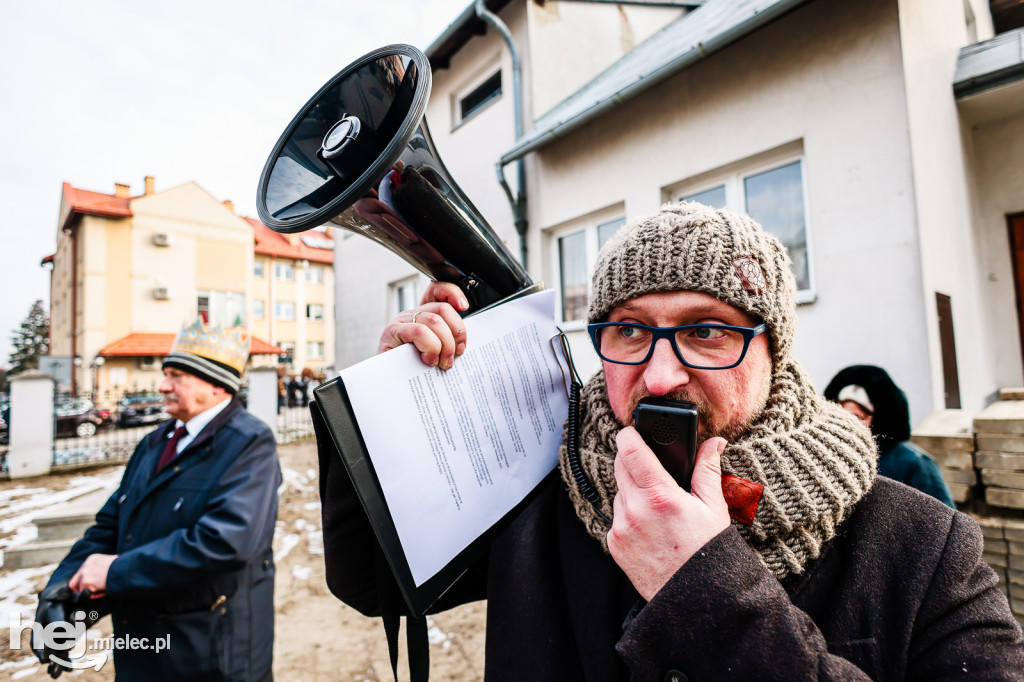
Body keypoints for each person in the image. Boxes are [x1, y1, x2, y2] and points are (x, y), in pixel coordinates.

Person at [319, 203, 1023, 679]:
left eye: (705, 330)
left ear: (772, 350)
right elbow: (370, 583)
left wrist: (708, 592)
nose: (658, 376)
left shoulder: (927, 548)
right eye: (628, 330)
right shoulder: (541, 488)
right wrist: (388, 411)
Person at [36, 320, 281, 681]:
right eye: (166, 373)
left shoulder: (249, 442)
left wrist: (115, 572)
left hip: (211, 651)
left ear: (216, 385)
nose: (163, 385)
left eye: (177, 375)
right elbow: (112, 525)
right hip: (141, 646)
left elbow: (226, 541)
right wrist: (61, 592)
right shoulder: (155, 441)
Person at [824, 364, 956, 507]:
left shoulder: (914, 462)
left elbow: (941, 519)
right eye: (841, 415)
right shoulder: (833, 458)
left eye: (856, 416)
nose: (847, 423)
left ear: (873, 417)